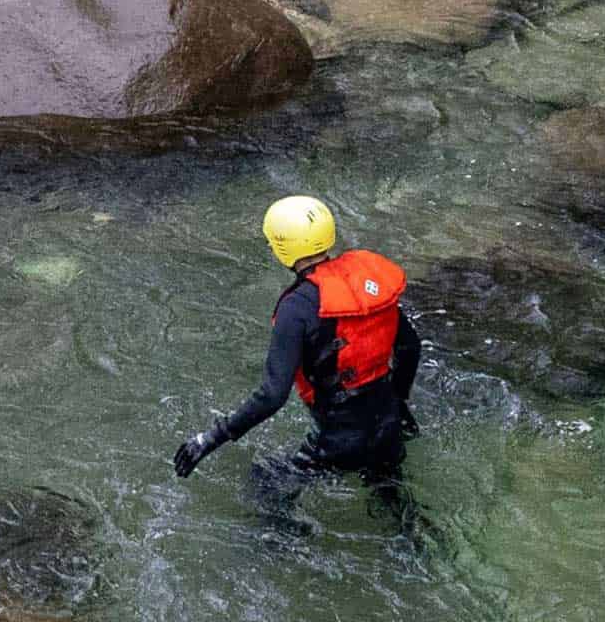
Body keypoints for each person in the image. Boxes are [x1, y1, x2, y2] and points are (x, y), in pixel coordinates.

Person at [172, 196, 423, 531]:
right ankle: (423, 545)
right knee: (395, 503)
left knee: (265, 483)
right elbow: (410, 346)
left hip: (340, 436)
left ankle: (281, 555)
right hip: (388, 423)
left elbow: (272, 396)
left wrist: (209, 438)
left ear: (282, 247)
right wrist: (399, 401)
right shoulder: (366, 283)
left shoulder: (298, 307)